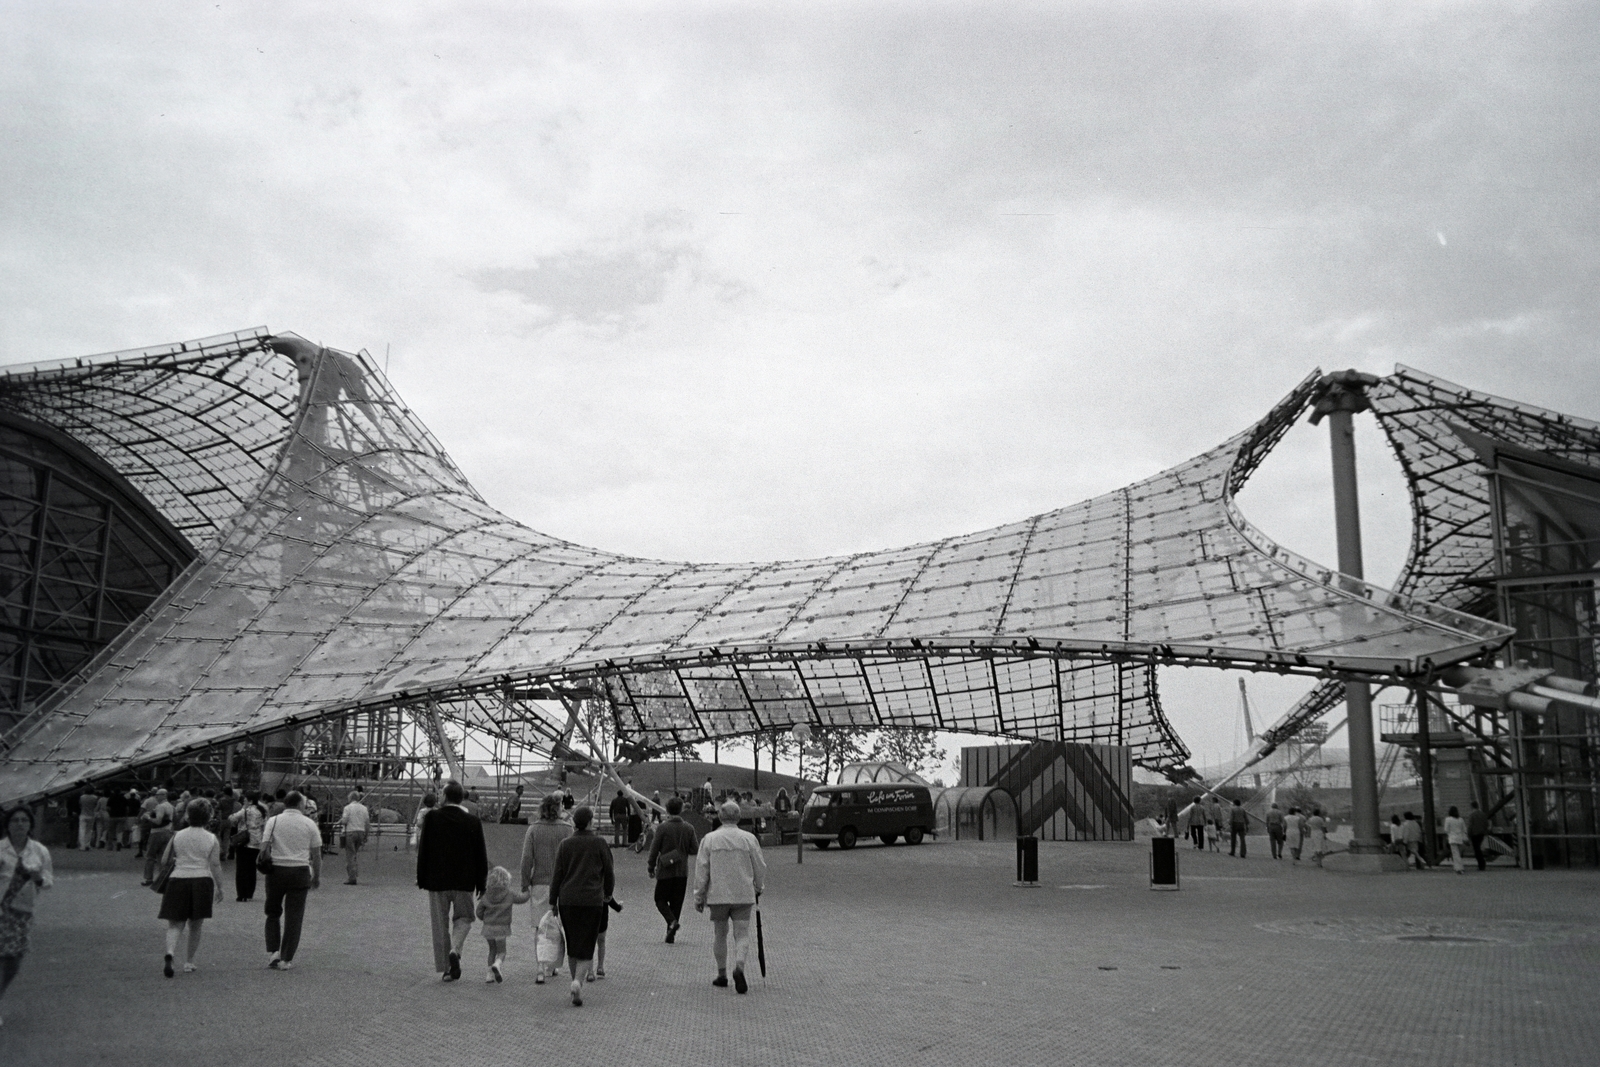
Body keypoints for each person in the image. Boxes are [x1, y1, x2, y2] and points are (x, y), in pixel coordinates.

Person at [416, 781, 488, 982]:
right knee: (464, 918)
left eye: (441, 793)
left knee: (440, 925)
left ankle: (447, 968)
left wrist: (421, 877)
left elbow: (424, 850)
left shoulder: (432, 818)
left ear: (446, 797)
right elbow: (480, 854)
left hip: (437, 880)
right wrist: (482, 884)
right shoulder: (473, 822)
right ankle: (455, 949)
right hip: (465, 882)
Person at [694, 799, 767, 995]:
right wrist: (758, 886)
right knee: (742, 934)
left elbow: (702, 870)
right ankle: (740, 966)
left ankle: (722, 974)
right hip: (743, 893)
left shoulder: (709, 839)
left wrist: (699, 896)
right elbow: (760, 865)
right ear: (739, 817)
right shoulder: (749, 839)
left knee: (720, 934)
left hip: (718, 894)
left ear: (720, 816)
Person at [548, 805, 614, 1006]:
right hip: (592, 901)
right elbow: (609, 871)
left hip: (568, 900)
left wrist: (553, 901)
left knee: (573, 945)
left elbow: (557, 875)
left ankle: (574, 984)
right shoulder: (600, 843)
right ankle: (578, 982)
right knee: (587, 945)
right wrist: (608, 893)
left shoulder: (565, 844)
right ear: (591, 822)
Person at [157, 798, 225, 977]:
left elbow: (164, 860)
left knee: (175, 923)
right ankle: (189, 962)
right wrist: (220, 887)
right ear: (209, 816)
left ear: (188, 815)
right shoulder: (211, 838)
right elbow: (215, 864)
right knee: (195, 925)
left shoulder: (177, 835)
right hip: (201, 880)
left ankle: (170, 952)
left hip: (177, 879)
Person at [0, 806, 52, 1027]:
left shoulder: (39, 851)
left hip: (22, 911)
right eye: (15, 820)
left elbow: (48, 881)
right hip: (1, 907)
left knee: (13, 960)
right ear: (8, 825)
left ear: (30, 824)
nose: (20, 824)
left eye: (24, 820)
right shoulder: (0, 849)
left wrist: (38, 877)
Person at [259, 791, 323, 970]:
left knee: (272, 912)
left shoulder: (274, 821)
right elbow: (317, 854)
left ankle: (273, 952)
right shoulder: (309, 823)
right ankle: (286, 958)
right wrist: (316, 876)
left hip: (276, 870)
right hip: (300, 871)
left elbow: (264, 846)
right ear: (301, 805)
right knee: (294, 916)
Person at [520, 794, 573, 984]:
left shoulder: (533, 829)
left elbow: (526, 859)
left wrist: (525, 882)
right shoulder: (567, 829)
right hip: (564, 884)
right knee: (559, 927)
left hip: (540, 883)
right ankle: (552, 965)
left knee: (540, 926)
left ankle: (540, 968)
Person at [648, 795, 699, 943]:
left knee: (660, 899)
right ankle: (671, 932)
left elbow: (654, 848)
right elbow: (695, 849)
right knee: (677, 903)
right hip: (682, 871)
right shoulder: (689, 828)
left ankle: (671, 922)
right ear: (681, 809)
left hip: (665, 870)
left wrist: (651, 866)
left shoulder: (663, 827)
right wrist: (681, 852)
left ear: (667, 810)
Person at [476, 866, 529, 983]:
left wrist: (485, 919)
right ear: (506, 880)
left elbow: (479, 912)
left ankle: (489, 975)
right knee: (502, 952)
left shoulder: (486, 895)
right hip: (502, 928)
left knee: (492, 951)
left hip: (488, 929)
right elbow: (522, 898)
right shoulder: (509, 894)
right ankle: (498, 964)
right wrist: (527, 890)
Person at [228, 792, 269, 901]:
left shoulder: (245, 810)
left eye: (245, 800)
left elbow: (231, 818)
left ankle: (241, 894)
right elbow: (265, 826)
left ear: (250, 801)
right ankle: (249, 893)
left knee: (241, 869)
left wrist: (243, 809)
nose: (244, 802)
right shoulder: (262, 811)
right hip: (256, 842)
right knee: (251, 869)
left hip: (244, 842)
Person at [141, 791, 177, 886]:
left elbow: (158, 821)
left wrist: (148, 817)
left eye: (158, 795)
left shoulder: (160, 806)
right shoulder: (171, 806)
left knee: (150, 856)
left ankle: (148, 879)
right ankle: (162, 879)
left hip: (157, 833)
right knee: (163, 857)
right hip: (168, 832)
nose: (156, 796)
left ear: (163, 795)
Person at [339, 790, 370, 885]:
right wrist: (366, 835)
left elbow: (344, 821)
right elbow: (367, 823)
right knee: (355, 854)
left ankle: (352, 877)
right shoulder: (364, 808)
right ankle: (355, 872)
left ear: (350, 798)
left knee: (350, 855)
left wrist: (340, 821)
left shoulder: (347, 808)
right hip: (361, 832)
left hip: (350, 832)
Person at [1443, 805, 1468, 875]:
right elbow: (1464, 829)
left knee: (1455, 854)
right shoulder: (1461, 819)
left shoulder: (1448, 819)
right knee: (1458, 854)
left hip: (1452, 839)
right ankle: (1459, 867)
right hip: (1460, 838)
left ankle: (1459, 868)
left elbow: (1446, 830)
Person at [1467, 802, 1490, 871]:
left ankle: (1481, 864)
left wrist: (1468, 834)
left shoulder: (1472, 815)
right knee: (1478, 848)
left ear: (1472, 807)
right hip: (1481, 833)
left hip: (1474, 834)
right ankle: (1482, 864)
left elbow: (1470, 826)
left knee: (1476, 850)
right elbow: (1486, 824)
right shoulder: (1483, 814)